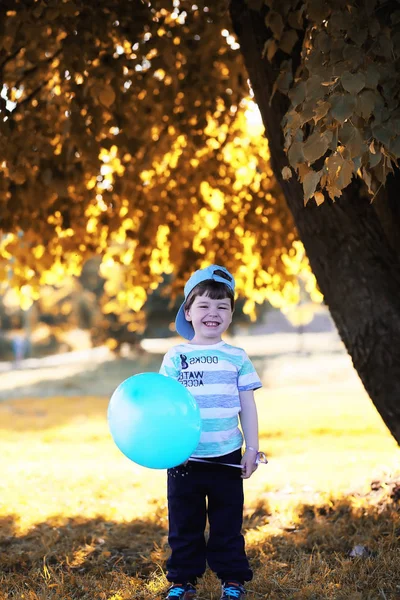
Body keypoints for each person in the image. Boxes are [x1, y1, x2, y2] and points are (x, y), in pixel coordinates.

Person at [159, 265, 262, 600]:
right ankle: (182, 582)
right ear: (188, 312)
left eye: (222, 307)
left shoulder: (237, 357)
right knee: (184, 524)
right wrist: (169, 445)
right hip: (184, 457)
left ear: (231, 314)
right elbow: (166, 407)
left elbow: (247, 406)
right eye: (203, 306)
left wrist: (250, 449)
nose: (212, 313)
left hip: (227, 456)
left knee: (227, 524)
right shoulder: (175, 357)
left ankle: (232, 580)